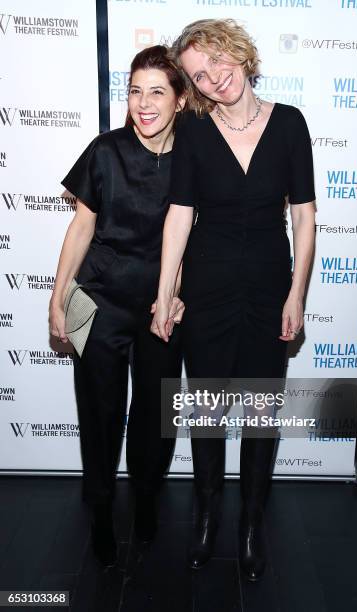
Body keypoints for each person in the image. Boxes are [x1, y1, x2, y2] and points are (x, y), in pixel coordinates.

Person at [151, 20, 316, 581]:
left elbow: (304, 216)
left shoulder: (290, 123)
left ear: (238, 53)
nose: (214, 78)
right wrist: (165, 291)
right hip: (209, 288)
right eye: (199, 75)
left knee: (262, 412)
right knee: (210, 410)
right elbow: (179, 213)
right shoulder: (195, 130)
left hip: (271, 286)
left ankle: (250, 523)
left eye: (216, 62)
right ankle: (205, 519)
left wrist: (297, 294)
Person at [49, 46, 186, 567]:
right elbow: (82, 226)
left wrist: (178, 295)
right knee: (99, 414)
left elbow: (197, 236)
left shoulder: (194, 157)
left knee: (155, 413)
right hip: (95, 299)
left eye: (157, 92)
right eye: (134, 90)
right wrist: (59, 295)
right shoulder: (104, 150)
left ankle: (147, 500)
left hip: (160, 305)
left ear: (179, 98)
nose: (143, 103)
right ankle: (102, 511)